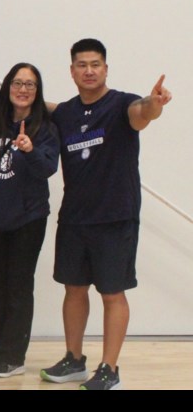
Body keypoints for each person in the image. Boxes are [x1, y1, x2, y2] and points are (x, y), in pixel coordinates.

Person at [41, 39, 171, 390]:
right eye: (81, 65)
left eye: (95, 64)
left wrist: (155, 103)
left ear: (106, 68)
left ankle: (109, 370)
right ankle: (74, 360)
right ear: (72, 71)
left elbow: (143, 113)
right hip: (74, 218)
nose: (88, 70)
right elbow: (41, 105)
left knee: (112, 293)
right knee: (74, 288)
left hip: (115, 218)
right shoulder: (66, 112)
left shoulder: (123, 104)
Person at [0, 63, 59, 378]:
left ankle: (14, 355)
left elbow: (48, 169)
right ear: (8, 86)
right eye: (18, 82)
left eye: (31, 85)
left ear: (37, 92)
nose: (23, 89)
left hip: (28, 217)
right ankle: (0, 349)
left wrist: (31, 149)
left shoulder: (45, 127)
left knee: (19, 286)